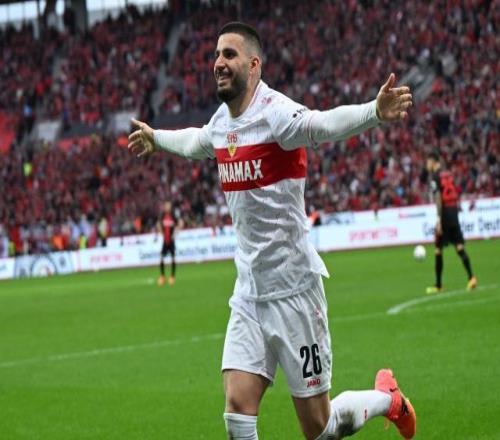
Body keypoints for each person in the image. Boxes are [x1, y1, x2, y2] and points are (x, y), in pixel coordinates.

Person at [128, 22, 416, 440]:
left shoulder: (276, 113)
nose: (218, 63)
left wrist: (374, 111)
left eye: (229, 54)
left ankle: (387, 400)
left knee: (320, 428)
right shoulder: (222, 123)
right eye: (216, 55)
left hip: (294, 291)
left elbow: (323, 125)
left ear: (254, 65)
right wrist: (157, 138)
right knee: (237, 411)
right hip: (249, 293)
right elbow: (195, 142)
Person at [425, 152, 477, 294]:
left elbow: (438, 198)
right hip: (454, 212)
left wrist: (438, 219)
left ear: (433, 161)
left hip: (445, 214)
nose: (427, 165)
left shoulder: (435, 177)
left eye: (428, 162)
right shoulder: (448, 175)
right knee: (459, 246)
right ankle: (471, 278)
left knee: (438, 249)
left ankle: (438, 285)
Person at [157, 201, 177, 286]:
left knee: (173, 258)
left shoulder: (173, 216)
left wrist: (175, 233)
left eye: (169, 206)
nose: (167, 207)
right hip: (165, 240)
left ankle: (172, 277)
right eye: (166, 206)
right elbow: (158, 224)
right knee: (161, 258)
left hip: (171, 241)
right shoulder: (162, 216)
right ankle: (162, 277)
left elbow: (179, 223)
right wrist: (161, 232)